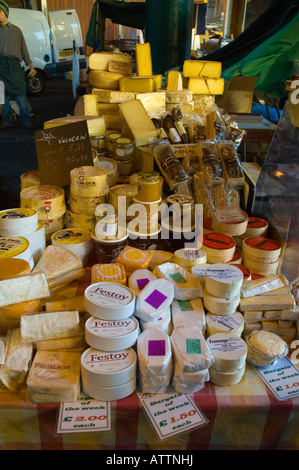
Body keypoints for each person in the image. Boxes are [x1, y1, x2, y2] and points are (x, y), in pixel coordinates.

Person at [0, 1, 36, 129]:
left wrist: (30, 65)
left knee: (21, 93)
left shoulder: (16, 31)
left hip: (15, 65)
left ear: (5, 13)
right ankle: (6, 121)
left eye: (0, 11)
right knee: (3, 95)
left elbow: (24, 49)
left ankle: (26, 120)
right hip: (1, 66)